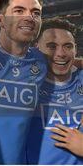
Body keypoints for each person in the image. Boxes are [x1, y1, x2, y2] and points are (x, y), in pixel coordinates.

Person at [0, 0, 47, 164]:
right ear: (0, 20)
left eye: (36, 13)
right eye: (19, 11)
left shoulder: (42, 61)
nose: (30, 17)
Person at [27, 17, 83, 164]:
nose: (61, 53)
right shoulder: (23, 81)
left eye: (68, 46)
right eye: (52, 46)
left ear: (75, 49)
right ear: (36, 48)